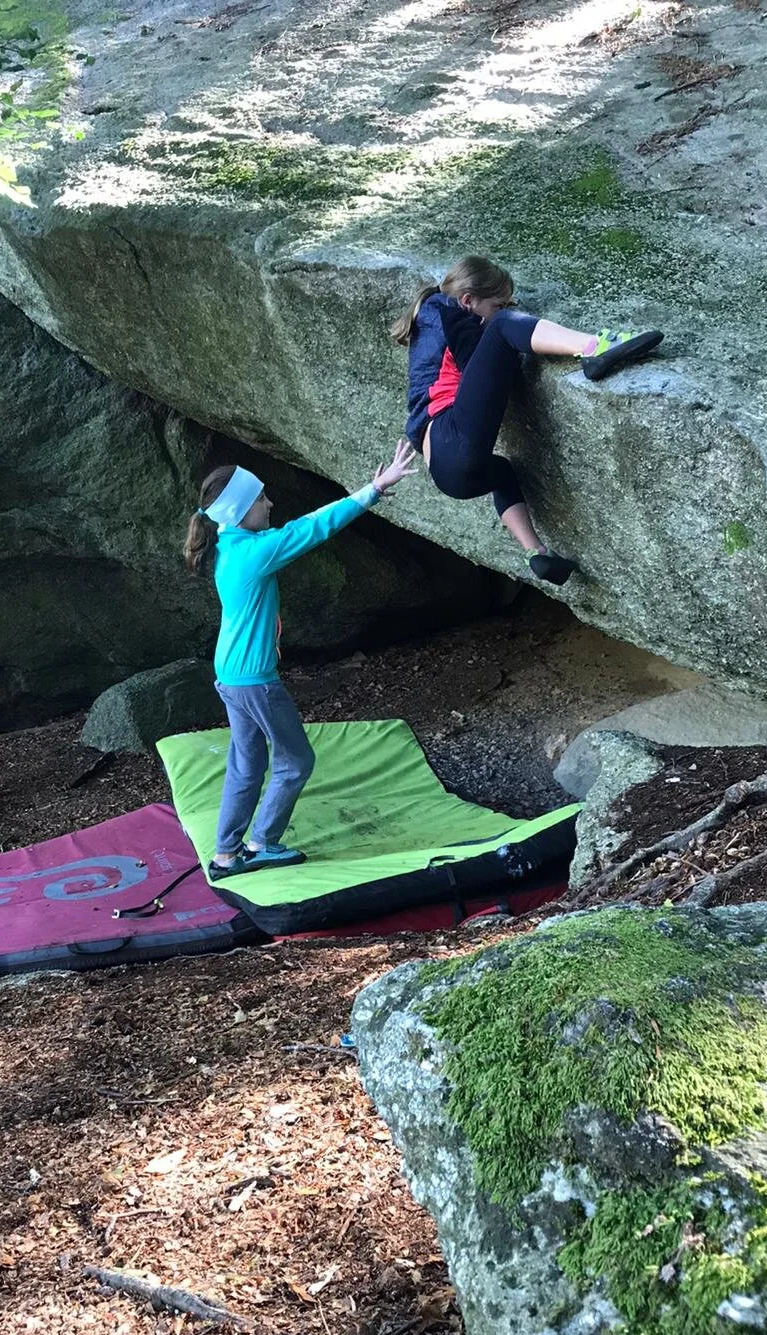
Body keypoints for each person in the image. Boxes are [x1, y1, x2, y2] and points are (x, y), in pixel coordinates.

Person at [183, 442, 418, 880]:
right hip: (254, 680)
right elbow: (313, 528)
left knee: (247, 764)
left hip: (231, 676)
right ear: (239, 511)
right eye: (260, 499)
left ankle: (226, 856)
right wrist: (374, 490)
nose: (270, 503)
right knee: (296, 761)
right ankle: (262, 844)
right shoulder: (255, 552)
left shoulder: (230, 547)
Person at [393, 255, 663, 585]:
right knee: (504, 325)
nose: (504, 306)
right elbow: (480, 351)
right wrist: (508, 324)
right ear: (468, 301)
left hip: (447, 474)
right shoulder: (449, 313)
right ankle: (594, 347)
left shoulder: (433, 321)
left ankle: (536, 552)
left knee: (504, 472)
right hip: (451, 433)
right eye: (498, 302)